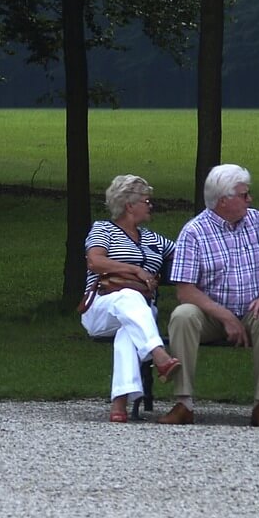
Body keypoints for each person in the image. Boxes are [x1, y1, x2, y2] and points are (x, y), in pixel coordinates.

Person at [159, 164, 259, 427]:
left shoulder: (257, 221)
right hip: (210, 315)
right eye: (244, 195)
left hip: (252, 311)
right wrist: (224, 317)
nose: (250, 199)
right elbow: (184, 290)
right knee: (182, 316)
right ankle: (183, 402)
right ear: (223, 200)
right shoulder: (194, 232)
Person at [80, 174, 182, 423]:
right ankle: (159, 355)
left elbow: (184, 252)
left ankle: (119, 403)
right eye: (146, 201)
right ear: (129, 205)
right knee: (128, 296)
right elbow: (95, 261)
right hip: (101, 308)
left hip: (141, 313)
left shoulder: (152, 239)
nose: (150, 205)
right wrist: (135, 270)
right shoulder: (103, 229)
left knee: (129, 329)